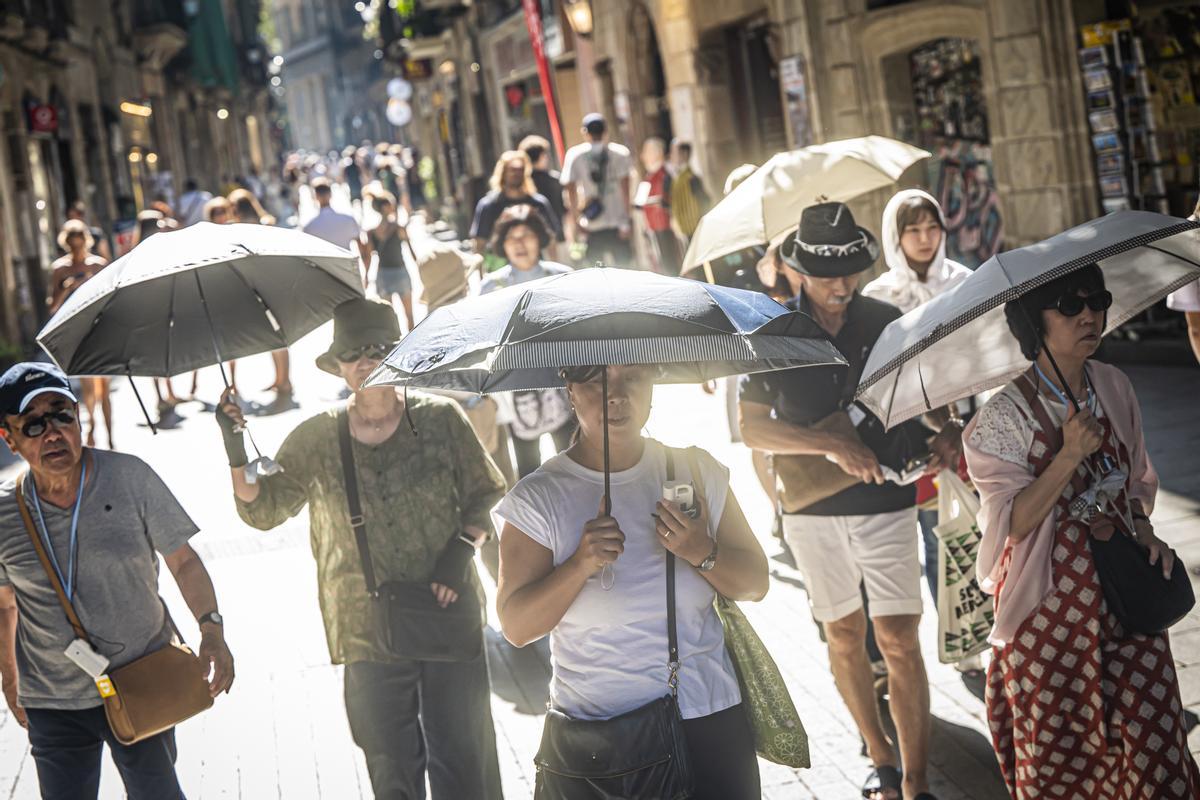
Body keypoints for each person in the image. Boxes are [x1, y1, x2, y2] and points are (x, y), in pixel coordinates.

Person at [217, 299, 505, 800]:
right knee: (391, 767)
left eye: (380, 349)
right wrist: (235, 448)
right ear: (340, 365)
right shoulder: (316, 437)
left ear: (403, 355)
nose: (367, 361)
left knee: (466, 761)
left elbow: (487, 491)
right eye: (354, 353)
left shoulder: (441, 419)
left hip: (447, 607)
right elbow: (262, 511)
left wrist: (462, 549)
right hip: (365, 628)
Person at [739, 202, 960, 800]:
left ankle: (914, 783)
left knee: (898, 637)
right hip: (811, 509)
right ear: (799, 271)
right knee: (842, 634)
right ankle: (880, 756)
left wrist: (948, 430)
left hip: (888, 497)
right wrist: (827, 444)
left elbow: (927, 395)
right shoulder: (774, 331)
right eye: (827, 274)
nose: (841, 285)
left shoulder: (888, 320)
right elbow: (753, 430)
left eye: (851, 272)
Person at [963, 264, 1200, 797]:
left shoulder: (1113, 384)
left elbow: (1137, 479)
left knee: (1157, 743)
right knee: (1066, 763)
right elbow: (1010, 528)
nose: (1090, 314)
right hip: (1049, 611)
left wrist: (1146, 533)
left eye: (1097, 299)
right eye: (1069, 305)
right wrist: (1069, 454)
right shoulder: (1001, 418)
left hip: (1126, 590)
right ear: (1032, 321)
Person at [495, 363, 770, 800]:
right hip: (598, 739)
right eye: (596, 380)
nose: (617, 395)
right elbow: (517, 626)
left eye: (634, 378)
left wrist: (701, 551)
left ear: (653, 385)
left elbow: (755, 583)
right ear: (570, 390)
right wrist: (580, 564)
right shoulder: (538, 497)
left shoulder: (694, 470)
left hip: (704, 720)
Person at [0, 363, 234, 799]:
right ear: (8, 439)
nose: (52, 432)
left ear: (80, 415)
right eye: (33, 424)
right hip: (53, 700)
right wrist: (10, 680)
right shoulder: (4, 515)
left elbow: (184, 562)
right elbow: (5, 606)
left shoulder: (130, 477)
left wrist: (212, 630)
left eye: (62, 415)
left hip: (143, 677)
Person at [863, 189, 972, 608]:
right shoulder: (879, 296)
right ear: (896, 235)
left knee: (985, 526)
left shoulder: (965, 283)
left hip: (969, 422)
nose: (925, 238)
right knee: (936, 532)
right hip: (916, 431)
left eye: (932, 227)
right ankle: (958, 634)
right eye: (913, 230)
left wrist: (960, 420)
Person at [480, 205, 575, 478]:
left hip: (563, 384)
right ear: (502, 244)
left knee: (574, 464)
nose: (520, 244)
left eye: (527, 235)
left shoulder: (562, 277)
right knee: (529, 472)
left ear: (540, 239)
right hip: (515, 388)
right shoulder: (491, 287)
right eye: (512, 237)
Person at [48, 221, 113, 450]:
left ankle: (111, 438)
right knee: (88, 384)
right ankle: (93, 427)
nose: (76, 251)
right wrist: (66, 287)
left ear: (86, 242)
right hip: (76, 331)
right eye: (72, 247)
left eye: (80, 246)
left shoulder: (98, 265)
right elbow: (53, 306)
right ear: (66, 245)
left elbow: (111, 298)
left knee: (104, 387)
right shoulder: (60, 269)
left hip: (99, 328)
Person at [561, 113, 633, 267]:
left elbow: (570, 191)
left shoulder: (575, 155)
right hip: (617, 221)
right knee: (624, 269)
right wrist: (627, 221)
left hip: (591, 223)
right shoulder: (620, 153)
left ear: (584, 132)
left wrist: (575, 221)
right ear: (606, 131)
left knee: (595, 271)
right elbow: (626, 189)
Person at [469, 150, 562, 258]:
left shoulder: (538, 203)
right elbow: (479, 243)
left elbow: (551, 240)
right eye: (512, 170)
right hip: (499, 267)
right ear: (503, 173)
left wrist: (553, 265)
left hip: (533, 265)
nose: (517, 174)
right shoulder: (488, 205)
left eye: (520, 170)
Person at [361, 190, 416, 332]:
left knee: (389, 315)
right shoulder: (399, 228)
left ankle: (394, 345)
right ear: (385, 207)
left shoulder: (371, 232)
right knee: (409, 314)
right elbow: (411, 251)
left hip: (383, 274)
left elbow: (369, 257)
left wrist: (366, 276)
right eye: (391, 205)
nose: (394, 207)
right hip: (400, 272)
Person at [303, 178, 368, 283]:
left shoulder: (310, 227)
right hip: (348, 270)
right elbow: (363, 249)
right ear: (330, 194)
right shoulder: (348, 220)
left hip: (325, 274)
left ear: (315, 197)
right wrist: (366, 274)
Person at [637, 137, 681, 276]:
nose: (642, 156)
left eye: (646, 152)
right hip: (653, 226)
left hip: (666, 225)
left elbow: (669, 199)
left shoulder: (665, 174)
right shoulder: (649, 177)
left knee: (670, 263)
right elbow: (639, 203)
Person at [668, 139, 710, 244]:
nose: (671, 156)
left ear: (684, 154)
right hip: (684, 229)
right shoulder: (676, 178)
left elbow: (705, 201)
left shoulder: (691, 178)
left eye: (674, 152)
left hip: (694, 228)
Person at [519, 135, 566, 226]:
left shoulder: (521, 182)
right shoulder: (554, 180)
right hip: (558, 233)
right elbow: (565, 209)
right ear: (542, 156)